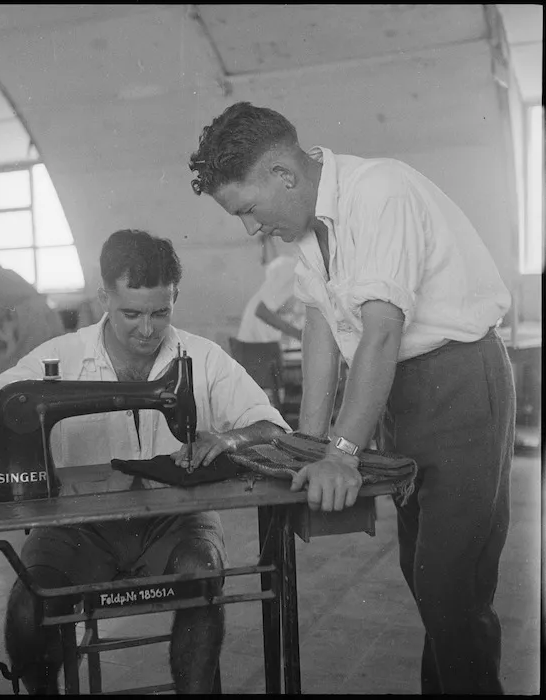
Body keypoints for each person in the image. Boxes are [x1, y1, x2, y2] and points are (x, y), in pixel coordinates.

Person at [188, 102, 515, 695]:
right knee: (426, 581)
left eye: (248, 210)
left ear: (284, 174)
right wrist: (308, 445)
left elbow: (383, 329)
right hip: (398, 394)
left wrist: (342, 450)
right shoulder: (313, 233)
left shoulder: (379, 191)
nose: (251, 229)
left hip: (460, 383)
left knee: (451, 587)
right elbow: (320, 331)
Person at [0, 229, 290, 694]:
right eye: (132, 313)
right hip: (74, 531)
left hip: (174, 521)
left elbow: (274, 429)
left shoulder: (204, 360)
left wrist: (230, 436)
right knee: (28, 609)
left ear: (175, 297)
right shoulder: (59, 356)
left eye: (161, 312)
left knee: (202, 577)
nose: (147, 329)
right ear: (104, 297)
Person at [237, 251, 304, 347]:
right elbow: (261, 310)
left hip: (257, 347)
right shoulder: (292, 271)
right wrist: (298, 334)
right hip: (254, 348)